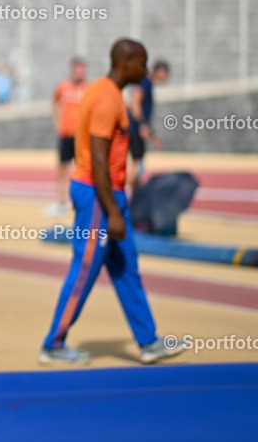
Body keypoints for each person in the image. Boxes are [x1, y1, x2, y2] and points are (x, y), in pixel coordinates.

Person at [39, 39, 185, 366]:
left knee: (126, 269)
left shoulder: (108, 92)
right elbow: (99, 160)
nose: (145, 70)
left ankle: (148, 342)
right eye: (141, 63)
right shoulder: (106, 97)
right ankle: (53, 344)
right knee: (85, 268)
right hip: (97, 195)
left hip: (109, 194)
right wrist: (113, 212)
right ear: (125, 63)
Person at [45, 57, 88, 218]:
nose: (80, 73)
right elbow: (54, 103)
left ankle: (81, 202)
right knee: (62, 168)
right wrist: (58, 123)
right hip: (66, 135)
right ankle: (61, 202)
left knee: (82, 169)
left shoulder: (88, 88)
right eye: (77, 69)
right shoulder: (63, 86)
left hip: (81, 137)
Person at [128, 60, 169, 189]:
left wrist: (152, 135)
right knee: (136, 163)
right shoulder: (145, 81)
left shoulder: (148, 82)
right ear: (161, 71)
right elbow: (134, 102)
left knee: (138, 163)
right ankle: (127, 193)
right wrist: (142, 125)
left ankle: (132, 191)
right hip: (133, 129)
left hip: (136, 128)